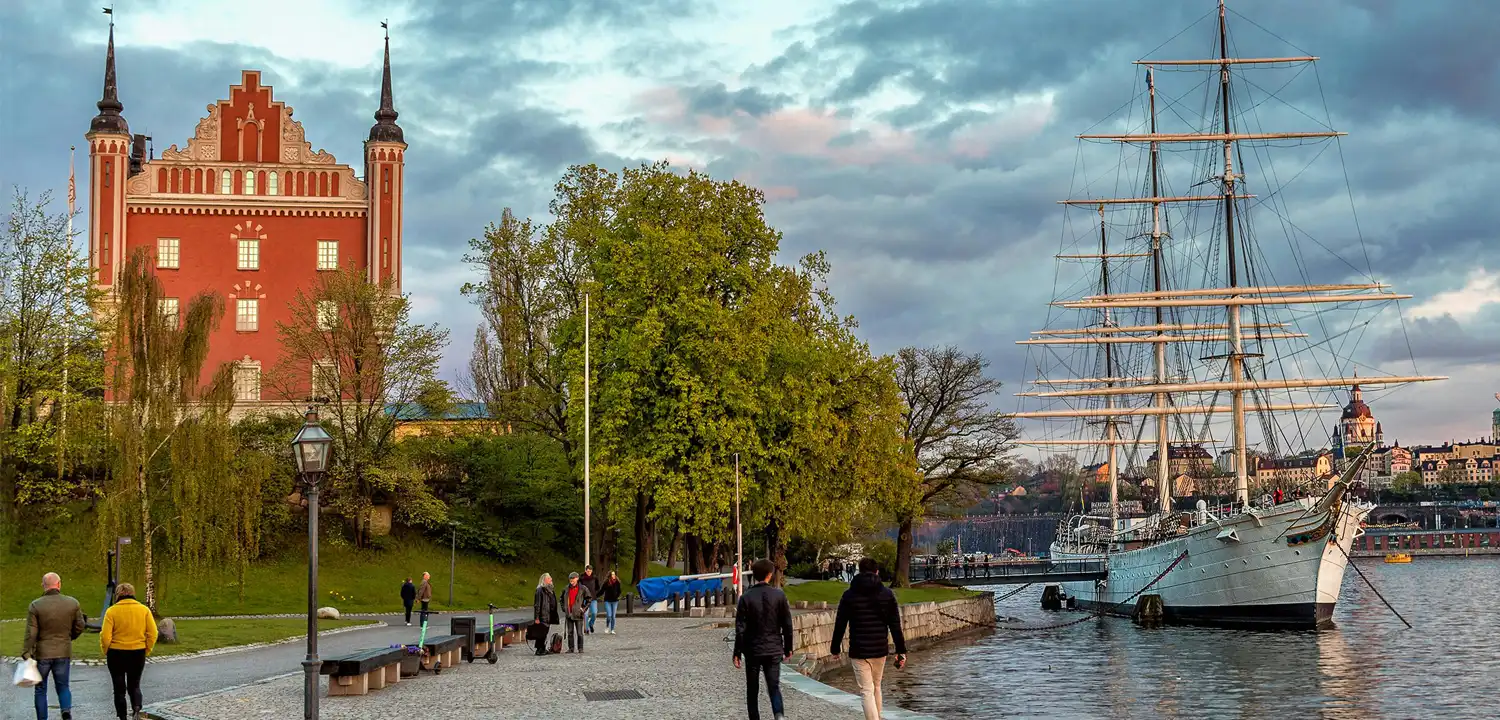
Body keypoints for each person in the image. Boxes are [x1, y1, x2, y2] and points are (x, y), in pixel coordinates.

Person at [830, 557, 908, 720]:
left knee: (866, 690)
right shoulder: (887, 594)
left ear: (859, 570)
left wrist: (835, 648)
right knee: (877, 686)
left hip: (858, 649)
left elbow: (840, 623)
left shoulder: (849, 595)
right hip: (879, 648)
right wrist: (901, 650)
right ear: (877, 572)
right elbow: (895, 625)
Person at [733, 558, 793, 720]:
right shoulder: (779, 596)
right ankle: (779, 714)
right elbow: (787, 624)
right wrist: (788, 647)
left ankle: (754, 717)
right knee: (773, 685)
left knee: (752, 688)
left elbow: (740, 628)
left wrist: (737, 652)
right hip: (773, 648)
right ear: (769, 575)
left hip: (752, 649)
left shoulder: (745, 598)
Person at [23, 572, 85, 720]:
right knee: (63, 686)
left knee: (40, 689)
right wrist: (69, 637)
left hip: (43, 653)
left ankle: (42, 718)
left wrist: (26, 652)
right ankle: (65, 710)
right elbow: (80, 625)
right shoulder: (72, 603)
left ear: (43, 586)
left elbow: (31, 633)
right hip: (63, 651)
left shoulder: (35, 605)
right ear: (59, 584)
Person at [100, 583, 157, 720]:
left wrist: (105, 649)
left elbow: (105, 636)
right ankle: (137, 708)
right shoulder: (143, 610)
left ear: (118, 594)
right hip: (137, 651)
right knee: (134, 684)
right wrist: (146, 649)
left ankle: (122, 716)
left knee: (118, 688)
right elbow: (153, 632)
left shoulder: (112, 611)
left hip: (116, 653)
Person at [561, 572, 593, 652]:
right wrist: (564, 608)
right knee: (570, 632)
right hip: (569, 613)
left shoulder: (583, 588)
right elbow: (561, 599)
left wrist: (584, 608)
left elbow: (589, 599)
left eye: (573, 579)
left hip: (578, 614)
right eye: (570, 579)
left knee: (579, 633)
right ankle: (571, 648)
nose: (571, 581)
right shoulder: (566, 589)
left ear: (577, 578)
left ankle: (580, 648)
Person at [531, 573, 559, 656]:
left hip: (548, 615)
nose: (551, 579)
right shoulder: (540, 590)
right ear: (545, 580)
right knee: (541, 633)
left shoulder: (549, 590)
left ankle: (542, 648)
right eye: (549, 578)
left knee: (545, 632)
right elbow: (537, 605)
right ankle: (539, 649)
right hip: (542, 615)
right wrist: (536, 617)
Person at [579, 564, 602, 633]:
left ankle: (590, 624)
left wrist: (595, 594)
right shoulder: (582, 578)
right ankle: (586, 629)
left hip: (593, 599)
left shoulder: (595, 577)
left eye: (590, 571)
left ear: (592, 571)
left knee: (594, 613)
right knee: (585, 615)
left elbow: (598, 587)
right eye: (587, 571)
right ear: (585, 571)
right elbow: (579, 588)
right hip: (584, 599)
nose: (588, 572)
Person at [599, 570, 623, 634]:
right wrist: (595, 596)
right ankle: (607, 627)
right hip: (607, 601)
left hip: (615, 601)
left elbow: (619, 591)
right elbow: (601, 591)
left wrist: (617, 596)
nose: (613, 576)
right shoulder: (606, 583)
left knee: (613, 616)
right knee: (609, 615)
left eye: (614, 574)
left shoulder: (617, 582)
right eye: (612, 574)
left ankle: (612, 629)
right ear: (610, 575)